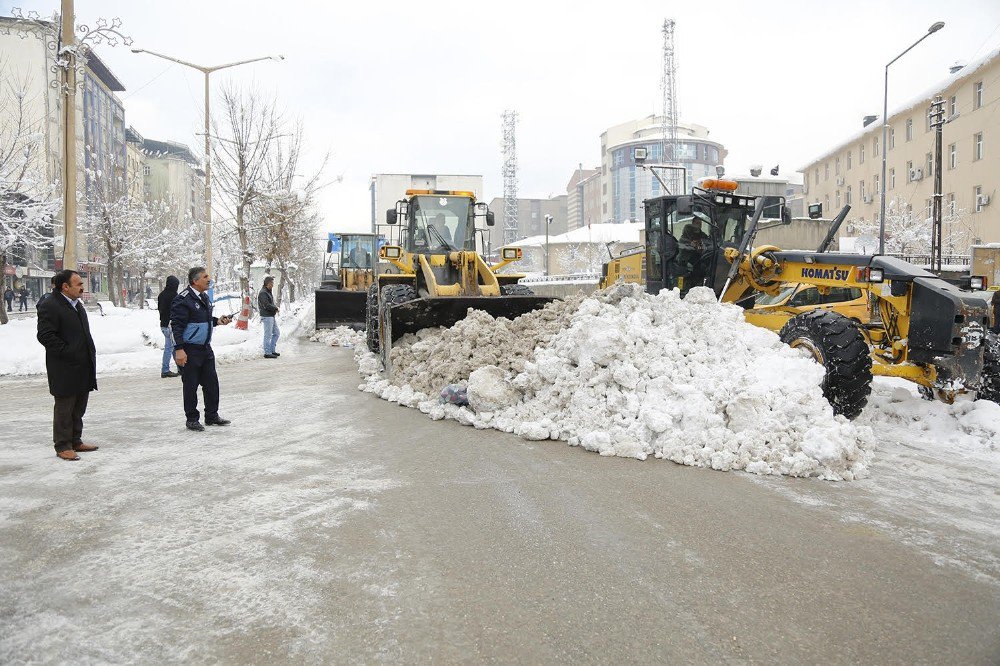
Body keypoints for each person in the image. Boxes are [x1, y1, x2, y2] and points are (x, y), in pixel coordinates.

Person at [35, 270, 98, 461]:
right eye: (78, 284)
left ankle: (75, 440)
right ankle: (62, 445)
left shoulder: (76, 305)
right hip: (64, 367)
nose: (82, 287)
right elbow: (45, 335)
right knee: (65, 407)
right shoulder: (51, 305)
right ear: (65, 286)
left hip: (82, 364)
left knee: (79, 406)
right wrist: (67, 352)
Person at [170, 267, 233, 431]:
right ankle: (191, 419)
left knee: (212, 383)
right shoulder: (183, 300)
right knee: (190, 385)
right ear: (195, 281)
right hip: (189, 350)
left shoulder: (203, 297)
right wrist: (179, 349)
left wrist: (217, 321)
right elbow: (176, 327)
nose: (209, 279)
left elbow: (202, 321)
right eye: (205, 277)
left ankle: (212, 415)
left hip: (205, 348)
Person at [157, 276, 181, 378]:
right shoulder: (174, 296)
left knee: (174, 347)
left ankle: (181, 367)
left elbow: (160, 309)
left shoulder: (161, 295)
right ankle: (165, 370)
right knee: (169, 348)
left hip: (163, 324)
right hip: (170, 325)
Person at [258, 275, 280, 359]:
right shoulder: (263, 292)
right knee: (268, 335)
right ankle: (267, 352)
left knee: (277, 333)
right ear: (267, 283)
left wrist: (274, 309)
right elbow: (266, 305)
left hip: (271, 315)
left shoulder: (268, 291)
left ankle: (272, 350)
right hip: (267, 316)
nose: (273, 284)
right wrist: (275, 308)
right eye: (272, 283)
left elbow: (270, 303)